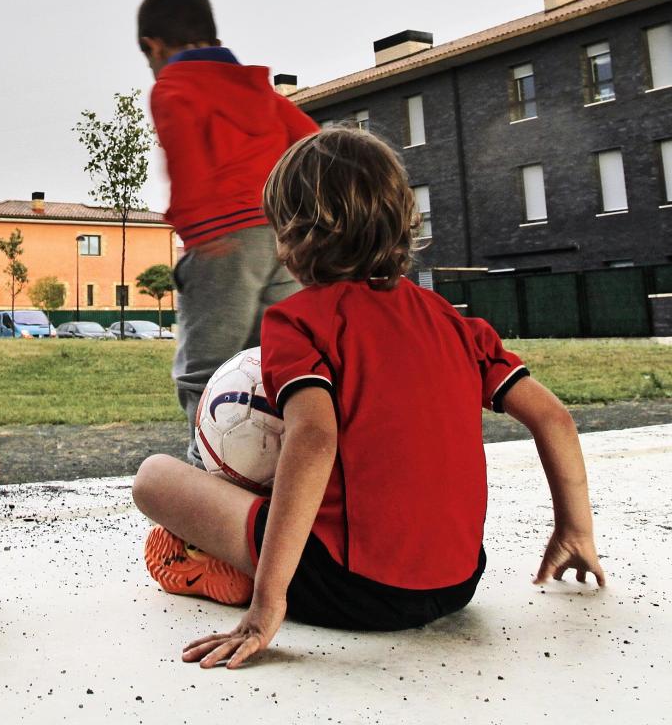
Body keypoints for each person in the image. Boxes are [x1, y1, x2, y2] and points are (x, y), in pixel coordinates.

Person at [131, 127, 606, 668]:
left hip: (351, 588)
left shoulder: (298, 321)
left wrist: (268, 606)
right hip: (457, 583)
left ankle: (234, 572)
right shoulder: (458, 324)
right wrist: (574, 530)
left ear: (294, 236)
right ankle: (254, 557)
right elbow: (555, 418)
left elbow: (313, 439)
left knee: (154, 477)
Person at [137, 0, 318, 460]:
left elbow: (186, 160)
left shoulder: (173, 87)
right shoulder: (255, 87)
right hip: (283, 241)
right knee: (276, 362)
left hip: (224, 241)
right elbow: (309, 139)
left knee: (206, 371)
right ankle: (273, 472)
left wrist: (199, 232)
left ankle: (208, 472)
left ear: (154, 46)